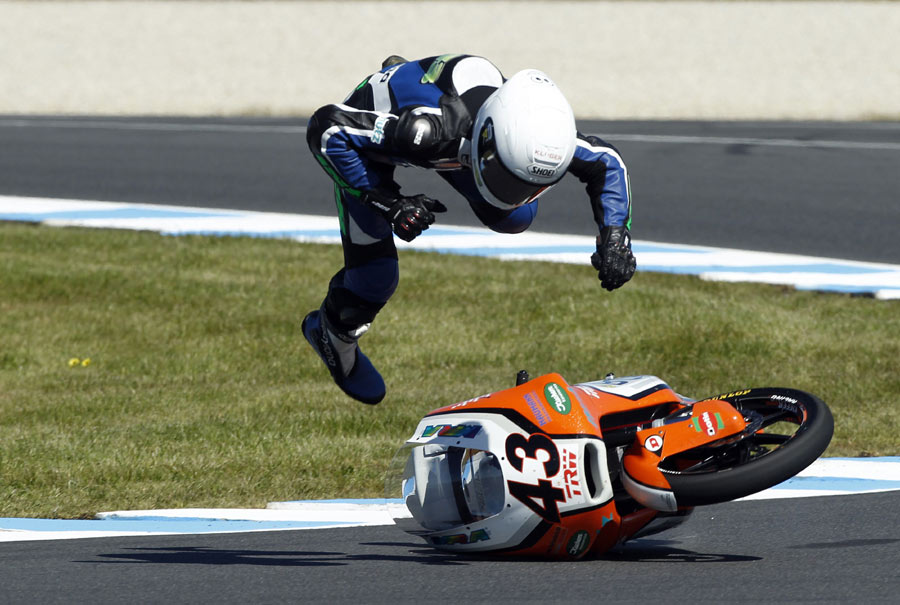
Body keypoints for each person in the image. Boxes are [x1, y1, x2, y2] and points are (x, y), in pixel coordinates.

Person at [303, 54, 636, 404]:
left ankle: (411, 83)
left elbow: (607, 162)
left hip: (460, 137)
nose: (513, 194)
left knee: (514, 217)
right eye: (506, 178)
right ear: (487, 139)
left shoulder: (528, 125)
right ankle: (331, 334)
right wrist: (388, 202)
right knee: (376, 279)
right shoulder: (427, 130)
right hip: (370, 145)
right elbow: (326, 129)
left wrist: (615, 236)